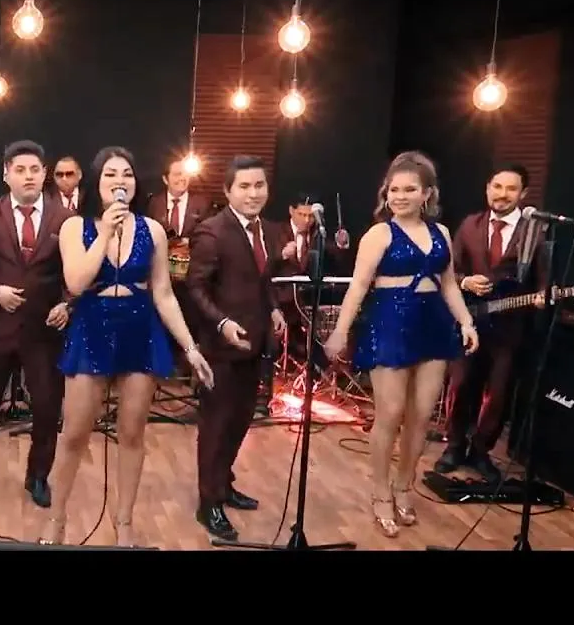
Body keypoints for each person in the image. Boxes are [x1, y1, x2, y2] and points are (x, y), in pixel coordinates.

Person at [41, 146, 214, 547]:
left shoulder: (153, 230)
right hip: (92, 326)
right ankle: (57, 518)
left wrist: (190, 348)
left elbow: (164, 294)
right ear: (96, 182)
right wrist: (104, 232)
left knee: (132, 432)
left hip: (140, 327)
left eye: (127, 175)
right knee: (74, 434)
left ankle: (124, 523)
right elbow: (76, 283)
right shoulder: (75, 226)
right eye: (111, 174)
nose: (120, 181)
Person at [324, 151, 479, 537]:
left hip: (434, 324)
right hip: (390, 323)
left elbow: (448, 284)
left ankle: (404, 485)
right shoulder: (379, 234)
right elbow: (358, 286)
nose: (400, 196)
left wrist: (466, 321)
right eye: (394, 190)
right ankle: (380, 492)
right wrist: (340, 331)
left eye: (410, 189)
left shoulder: (441, 233)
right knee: (390, 413)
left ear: (427, 193)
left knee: (422, 416)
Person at [0, 140, 74, 512]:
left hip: (44, 332)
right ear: (6, 174)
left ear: (44, 174)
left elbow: (76, 273)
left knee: (47, 409)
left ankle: (38, 476)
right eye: (20, 170)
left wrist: (68, 303)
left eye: (35, 170)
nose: (28, 176)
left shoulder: (64, 218)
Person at [184, 155, 287, 541]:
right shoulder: (212, 231)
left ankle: (224, 484)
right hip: (220, 349)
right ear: (228, 191)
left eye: (259, 185)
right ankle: (208, 501)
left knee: (241, 421)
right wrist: (222, 323)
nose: (253, 193)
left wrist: (274, 308)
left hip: (254, 344)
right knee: (216, 426)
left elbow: (263, 280)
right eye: (244, 186)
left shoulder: (268, 231)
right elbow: (195, 288)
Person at [435, 163, 544, 482]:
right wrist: (465, 281)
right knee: (459, 385)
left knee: (498, 393)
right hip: (469, 320)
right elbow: (448, 272)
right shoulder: (470, 225)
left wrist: (542, 296)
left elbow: (544, 279)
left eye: (511, 188)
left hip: (510, 327)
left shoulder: (535, 232)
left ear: (523, 194)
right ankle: (454, 446)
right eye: (497, 186)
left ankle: (481, 452)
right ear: (487, 189)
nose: (502, 194)